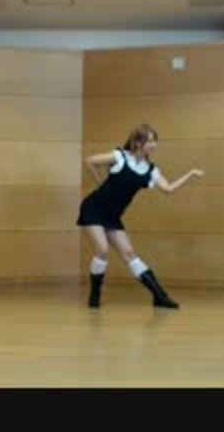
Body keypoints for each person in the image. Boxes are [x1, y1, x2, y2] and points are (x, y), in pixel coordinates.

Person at [77, 123, 204, 309]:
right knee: (103, 249)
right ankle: (95, 295)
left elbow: (168, 189)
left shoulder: (151, 170)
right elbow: (90, 161)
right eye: (149, 141)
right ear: (137, 142)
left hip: (112, 215)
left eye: (154, 141)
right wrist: (100, 184)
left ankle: (159, 296)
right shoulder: (120, 156)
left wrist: (191, 174)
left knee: (129, 253)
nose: (153, 145)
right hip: (93, 208)